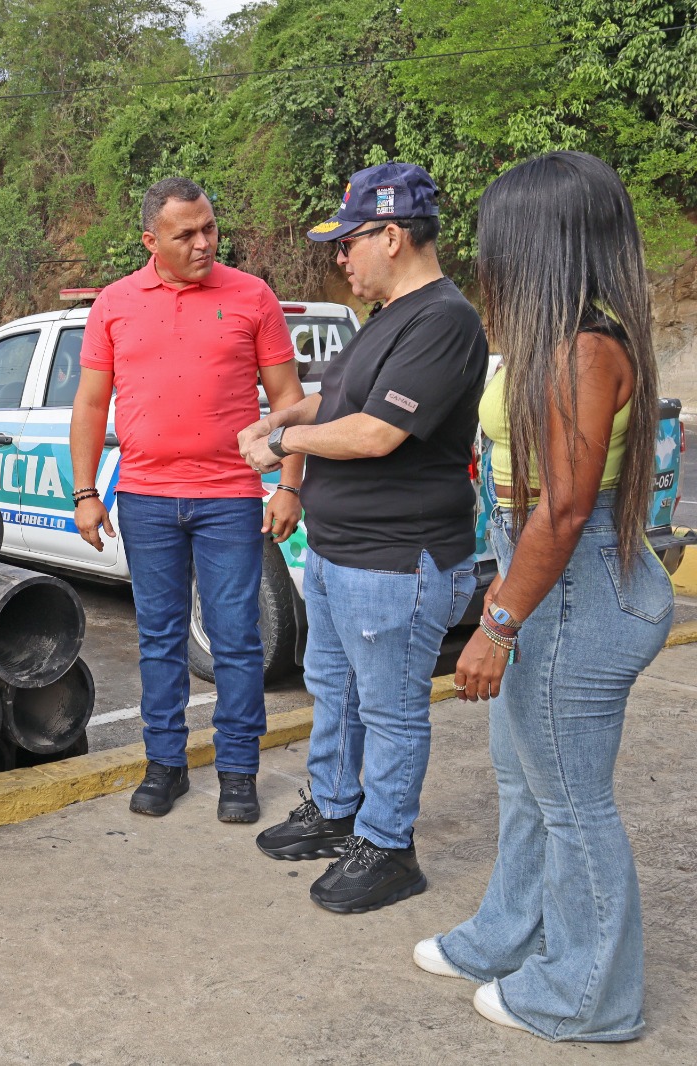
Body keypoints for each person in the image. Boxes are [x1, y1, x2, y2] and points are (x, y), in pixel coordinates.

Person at [413, 152, 672, 1041]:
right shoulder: (560, 336)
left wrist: (497, 624)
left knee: (571, 802)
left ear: (545, 241)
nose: (490, 257)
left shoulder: (582, 348)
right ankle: (507, 936)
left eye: (501, 239)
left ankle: (590, 996)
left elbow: (563, 509)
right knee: (524, 782)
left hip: (571, 585)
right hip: (548, 571)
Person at [240, 162, 486, 912]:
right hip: (340, 551)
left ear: (392, 234)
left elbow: (379, 431)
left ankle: (386, 845)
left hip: (396, 560)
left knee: (390, 709)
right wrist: (284, 419)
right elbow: (337, 400)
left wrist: (280, 453)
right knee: (334, 690)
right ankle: (337, 807)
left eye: (350, 242)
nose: (340, 258)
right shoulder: (387, 320)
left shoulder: (444, 321)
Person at [72, 176, 305, 824]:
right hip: (145, 499)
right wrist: (87, 491)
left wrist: (290, 484)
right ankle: (165, 766)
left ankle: (237, 772)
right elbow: (92, 404)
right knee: (161, 639)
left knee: (234, 639)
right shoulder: (116, 304)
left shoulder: (252, 296)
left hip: (230, 496)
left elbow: (290, 404)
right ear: (152, 240)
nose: (205, 242)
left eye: (210, 228)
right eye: (187, 234)